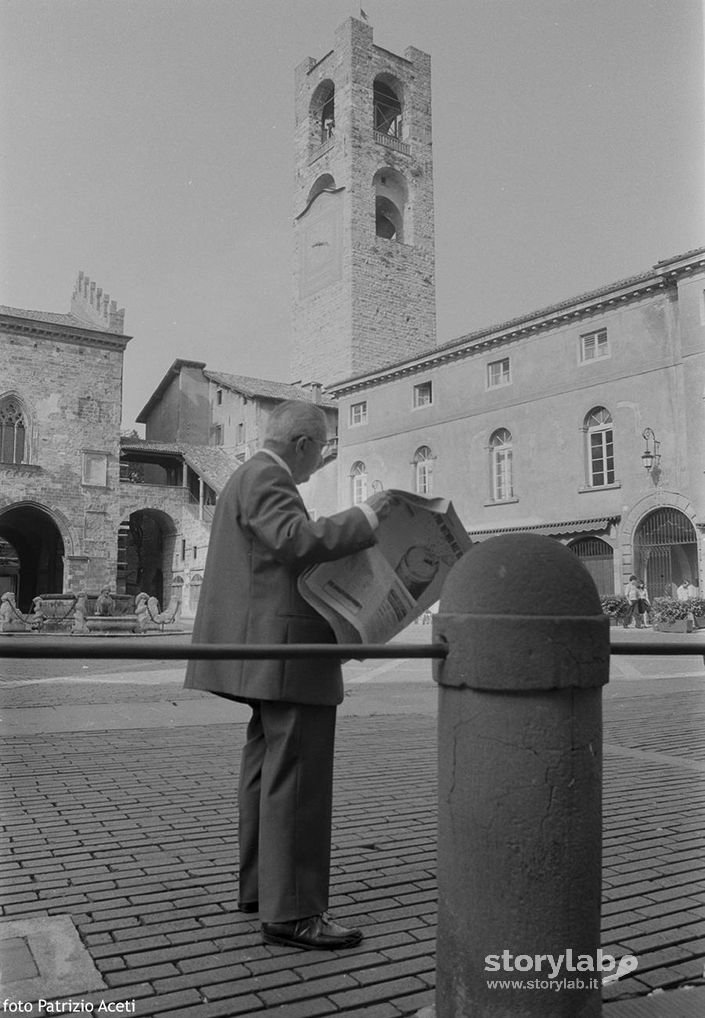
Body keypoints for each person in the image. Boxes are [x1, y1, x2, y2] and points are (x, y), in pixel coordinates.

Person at [184, 400, 393, 952]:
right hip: (289, 653)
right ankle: (294, 912)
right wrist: (366, 518)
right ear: (302, 443)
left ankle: (262, 891)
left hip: (266, 651)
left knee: (267, 772)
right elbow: (295, 541)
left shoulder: (248, 477)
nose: (319, 462)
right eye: (321, 450)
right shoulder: (268, 479)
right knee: (298, 778)